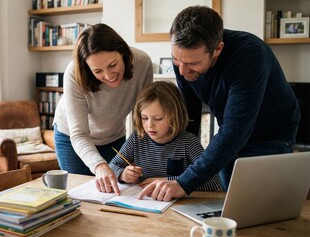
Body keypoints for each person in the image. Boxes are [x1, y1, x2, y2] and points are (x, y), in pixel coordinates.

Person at [138, 6, 300, 202]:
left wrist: (184, 183)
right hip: (230, 130)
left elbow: (235, 130)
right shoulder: (184, 58)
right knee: (228, 201)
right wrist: (181, 163)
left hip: (271, 135)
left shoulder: (250, 56)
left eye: (192, 64)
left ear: (218, 49)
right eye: (176, 60)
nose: (182, 71)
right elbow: (189, 113)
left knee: (258, 205)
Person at [53, 23, 153, 194]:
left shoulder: (142, 63)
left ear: (122, 52)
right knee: (81, 195)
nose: (108, 76)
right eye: (98, 71)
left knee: (118, 192)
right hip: (72, 138)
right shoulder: (73, 74)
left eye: (113, 65)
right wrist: (99, 166)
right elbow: (79, 134)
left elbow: (142, 117)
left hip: (113, 136)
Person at [109, 81, 221, 196]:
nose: (149, 125)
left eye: (158, 118)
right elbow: (112, 167)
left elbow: (214, 181)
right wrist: (122, 174)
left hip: (176, 205)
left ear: (175, 116)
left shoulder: (188, 142)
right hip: (144, 201)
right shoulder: (137, 138)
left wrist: (169, 181)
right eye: (144, 118)